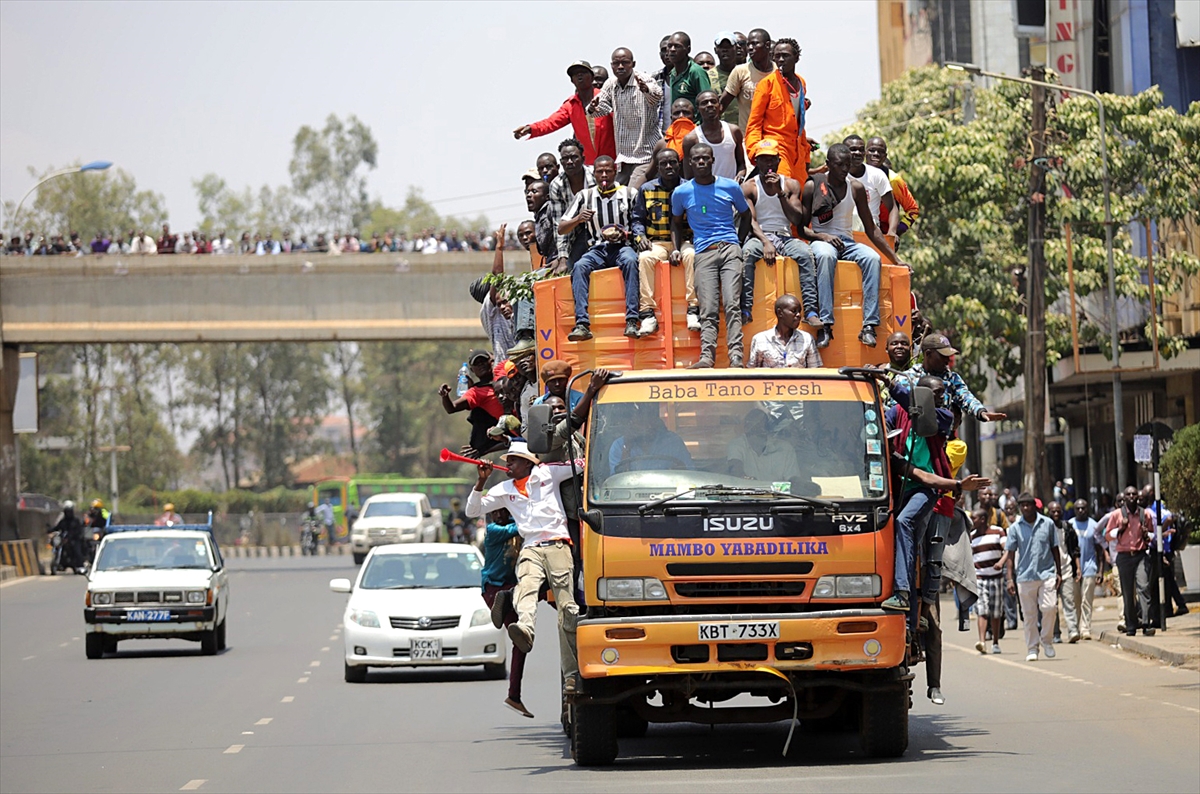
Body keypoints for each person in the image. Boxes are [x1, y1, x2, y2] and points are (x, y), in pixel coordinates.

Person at [465, 443, 582, 694]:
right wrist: (480, 482)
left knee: (568, 610)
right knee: (526, 589)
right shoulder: (503, 489)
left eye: (513, 461)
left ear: (528, 462)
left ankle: (572, 675)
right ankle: (525, 629)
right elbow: (472, 510)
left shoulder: (548, 473)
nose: (507, 465)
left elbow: (581, 467)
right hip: (531, 547)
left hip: (558, 545)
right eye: (507, 461)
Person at [802, 143, 902, 349]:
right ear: (828, 164)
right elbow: (800, 229)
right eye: (839, 165)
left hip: (846, 242)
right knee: (826, 257)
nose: (844, 170)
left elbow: (871, 228)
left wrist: (895, 259)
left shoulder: (855, 187)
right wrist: (822, 236)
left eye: (847, 165)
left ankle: (869, 326)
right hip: (821, 240)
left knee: (872, 258)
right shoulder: (813, 185)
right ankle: (826, 325)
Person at [671, 142, 751, 368]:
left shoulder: (730, 187)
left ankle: (736, 357)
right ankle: (707, 357)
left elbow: (745, 216)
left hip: (729, 249)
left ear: (713, 160)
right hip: (704, 252)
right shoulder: (682, 192)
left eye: (706, 158)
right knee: (708, 307)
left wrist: (739, 242)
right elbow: (676, 223)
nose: (701, 162)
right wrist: (676, 248)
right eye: (696, 159)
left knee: (733, 303)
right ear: (689, 163)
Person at [559, 156, 640, 341]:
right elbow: (561, 228)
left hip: (623, 246)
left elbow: (640, 224)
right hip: (597, 249)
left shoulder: (629, 194)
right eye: (600, 172)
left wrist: (625, 235)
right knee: (579, 266)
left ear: (616, 171)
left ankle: (632, 320)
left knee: (631, 260)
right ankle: (581, 324)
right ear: (594, 174)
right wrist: (578, 219)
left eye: (608, 171)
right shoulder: (584, 196)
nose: (604, 175)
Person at [740, 139, 817, 325]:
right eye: (763, 159)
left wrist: (780, 193)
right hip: (760, 235)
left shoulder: (790, 185)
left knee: (806, 253)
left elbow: (796, 219)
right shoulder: (749, 186)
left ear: (778, 161)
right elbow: (751, 221)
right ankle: (745, 309)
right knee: (747, 253)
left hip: (784, 236)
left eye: (771, 160)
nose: (768, 164)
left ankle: (812, 310)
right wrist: (766, 241)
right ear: (756, 162)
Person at [630, 147, 699, 335]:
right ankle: (647, 314)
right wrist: (640, 237)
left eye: (673, 162)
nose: (669, 166)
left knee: (692, 255)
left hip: (684, 240)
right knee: (645, 259)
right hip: (657, 241)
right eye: (663, 164)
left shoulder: (690, 188)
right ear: (658, 167)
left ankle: (693, 309)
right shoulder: (646, 189)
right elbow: (637, 219)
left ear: (679, 164)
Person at [997, 493, 1063, 662]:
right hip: (1025, 576)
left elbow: (1055, 548)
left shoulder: (1047, 524)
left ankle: (1047, 640)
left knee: (1049, 607)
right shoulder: (1015, 528)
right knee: (1029, 615)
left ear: (1035, 505)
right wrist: (1010, 579)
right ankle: (1032, 648)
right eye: (1022, 505)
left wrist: (1059, 572)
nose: (1026, 508)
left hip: (1046, 573)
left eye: (1028, 504)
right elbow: (1010, 554)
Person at [478, 508, 531, 717]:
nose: (498, 515)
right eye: (494, 512)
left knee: (522, 641)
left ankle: (514, 695)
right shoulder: (493, 530)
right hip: (492, 588)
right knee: (509, 594)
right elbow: (521, 527)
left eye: (503, 511)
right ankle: (503, 602)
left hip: (510, 586)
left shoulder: (509, 522)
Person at [587, 48, 664, 191]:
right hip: (624, 156)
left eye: (625, 63)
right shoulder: (611, 84)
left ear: (633, 64)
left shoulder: (643, 79)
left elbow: (657, 94)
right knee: (610, 192)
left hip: (646, 153)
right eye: (616, 63)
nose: (620, 67)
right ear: (611, 66)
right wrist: (592, 108)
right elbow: (601, 108)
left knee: (632, 194)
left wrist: (646, 89)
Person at [514, 60, 615, 166]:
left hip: (614, 161)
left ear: (591, 77)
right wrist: (530, 128)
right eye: (575, 74)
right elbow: (551, 122)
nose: (579, 75)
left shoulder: (606, 97)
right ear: (572, 80)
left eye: (583, 72)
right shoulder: (570, 105)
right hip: (590, 166)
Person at [744, 38, 810, 184]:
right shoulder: (766, 84)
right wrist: (756, 152)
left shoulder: (801, 83)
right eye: (777, 56)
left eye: (785, 56)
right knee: (785, 187)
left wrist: (806, 154)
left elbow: (799, 122)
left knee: (803, 192)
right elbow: (754, 124)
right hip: (776, 150)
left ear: (796, 58)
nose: (781, 60)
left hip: (797, 149)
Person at [905, 334, 1008, 423]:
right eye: (943, 356)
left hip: (941, 441)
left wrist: (980, 411)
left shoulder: (951, 378)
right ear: (928, 354)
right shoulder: (907, 379)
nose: (947, 360)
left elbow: (965, 396)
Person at [1105, 486, 1156, 637]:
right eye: (1129, 494)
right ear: (1124, 497)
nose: (1132, 497)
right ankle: (1131, 625)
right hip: (1124, 556)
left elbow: (1152, 535)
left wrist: (1148, 535)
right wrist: (1121, 528)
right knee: (1128, 592)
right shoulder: (1116, 515)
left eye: (1134, 494)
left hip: (1140, 554)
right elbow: (1107, 535)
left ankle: (1146, 623)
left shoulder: (1144, 514)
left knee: (1144, 588)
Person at [438, 350, 504, 457]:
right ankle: (482, 446)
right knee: (477, 412)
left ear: (491, 362)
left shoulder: (501, 371)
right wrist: (445, 396)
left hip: (523, 418)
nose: (481, 365)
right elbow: (451, 408)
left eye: (483, 361)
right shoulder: (476, 391)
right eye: (476, 364)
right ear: (472, 370)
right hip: (509, 430)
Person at [546, 138, 597, 271]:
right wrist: (562, 258)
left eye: (574, 157)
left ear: (583, 158)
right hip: (575, 234)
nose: (569, 162)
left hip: (600, 232)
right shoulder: (557, 185)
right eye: (565, 159)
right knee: (571, 269)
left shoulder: (596, 175)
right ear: (561, 162)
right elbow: (559, 225)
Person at [607, 404, 693, 475]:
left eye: (649, 416)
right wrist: (627, 446)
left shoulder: (673, 442)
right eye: (640, 417)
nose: (645, 424)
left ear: (656, 420)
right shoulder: (618, 446)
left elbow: (689, 474)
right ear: (631, 421)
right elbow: (617, 483)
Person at [721, 28, 775, 136]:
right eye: (748, 44)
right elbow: (722, 105)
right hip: (747, 138)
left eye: (755, 44)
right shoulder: (740, 72)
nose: (750, 48)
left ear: (767, 45)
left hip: (773, 138)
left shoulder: (778, 73)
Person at [843, 134, 899, 237]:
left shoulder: (877, 175)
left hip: (870, 231)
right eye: (853, 149)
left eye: (861, 150)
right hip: (844, 230)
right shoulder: (834, 175)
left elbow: (892, 207)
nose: (858, 153)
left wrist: (892, 232)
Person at [681, 91, 745, 182]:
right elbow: (688, 176)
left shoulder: (734, 131)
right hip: (704, 192)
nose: (710, 105)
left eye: (713, 101)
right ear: (698, 109)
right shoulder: (691, 139)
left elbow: (741, 165)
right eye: (704, 103)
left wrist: (739, 177)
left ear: (720, 106)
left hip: (730, 190)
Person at [726, 409, 801, 482]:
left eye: (760, 426)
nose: (757, 430)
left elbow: (793, 480)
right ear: (745, 428)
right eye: (751, 427)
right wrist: (746, 479)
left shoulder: (785, 448)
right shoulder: (737, 444)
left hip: (779, 494)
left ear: (766, 429)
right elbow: (735, 470)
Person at [747, 294, 821, 369]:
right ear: (780, 313)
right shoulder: (760, 339)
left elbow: (815, 372)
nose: (798, 315)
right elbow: (752, 373)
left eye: (799, 311)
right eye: (793, 311)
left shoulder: (807, 339)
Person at [866, 137, 919, 238]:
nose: (876, 154)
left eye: (880, 151)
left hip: (884, 236)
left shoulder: (894, 180)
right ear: (865, 152)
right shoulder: (855, 175)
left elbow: (913, 209)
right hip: (858, 233)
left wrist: (896, 231)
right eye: (872, 150)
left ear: (885, 156)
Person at [970, 505, 1006, 654]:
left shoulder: (998, 531)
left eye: (974, 518)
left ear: (983, 519)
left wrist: (1000, 563)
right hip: (980, 578)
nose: (972, 521)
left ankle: (995, 642)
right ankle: (982, 641)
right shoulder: (972, 536)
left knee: (996, 612)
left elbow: (1008, 550)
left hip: (996, 578)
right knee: (982, 610)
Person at [1067, 498, 1105, 640]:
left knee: (1086, 600)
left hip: (1090, 567)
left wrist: (1100, 570)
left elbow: (1100, 550)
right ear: (1074, 510)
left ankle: (1085, 628)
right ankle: (1075, 627)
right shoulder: (1069, 525)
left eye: (1083, 508)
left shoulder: (1094, 526)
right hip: (1073, 569)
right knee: (1075, 600)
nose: (1081, 511)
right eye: (1078, 508)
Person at [1047, 501, 1081, 642]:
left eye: (1058, 511)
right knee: (1052, 605)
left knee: (1069, 601)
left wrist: (1078, 567)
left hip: (1066, 570)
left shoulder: (1068, 528)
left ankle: (1073, 630)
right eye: (1053, 511)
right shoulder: (1044, 529)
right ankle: (1056, 633)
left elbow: (1074, 550)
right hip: (1049, 573)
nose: (1056, 514)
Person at [665, 32, 711, 113]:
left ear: (688, 49)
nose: (672, 49)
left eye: (677, 46)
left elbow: (707, 102)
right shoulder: (672, 73)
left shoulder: (696, 72)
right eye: (669, 46)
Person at [709, 32, 741, 124]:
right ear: (715, 50)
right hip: (720, 131)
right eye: (721, 48)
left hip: (743, 129)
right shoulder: (707, 76)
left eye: (728, 47)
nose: (725, 50)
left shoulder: (745, 74)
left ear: (736, 49)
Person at [51, 501, 86, 572]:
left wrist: (73, 536)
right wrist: (49, 530)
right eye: (66, 511)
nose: (68, 513)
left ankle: (80, 565)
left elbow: (79, 531)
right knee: (57, 545)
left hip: (74, 540)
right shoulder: (63, 521)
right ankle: (60, 562)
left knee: (77, 550)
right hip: (64, 539)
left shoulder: (75, 521)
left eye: (69, 511)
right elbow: (57, 527)